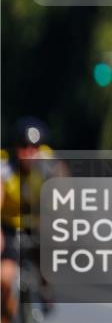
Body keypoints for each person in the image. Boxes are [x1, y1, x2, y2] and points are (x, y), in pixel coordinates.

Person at [1, 118, 62, 323]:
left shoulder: (47, 162)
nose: (29, 152)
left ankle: (45, 289)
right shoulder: (5, 166)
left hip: (37, 223)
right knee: (6, 279)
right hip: (10, 226)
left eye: (34, 147)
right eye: (24, 147)